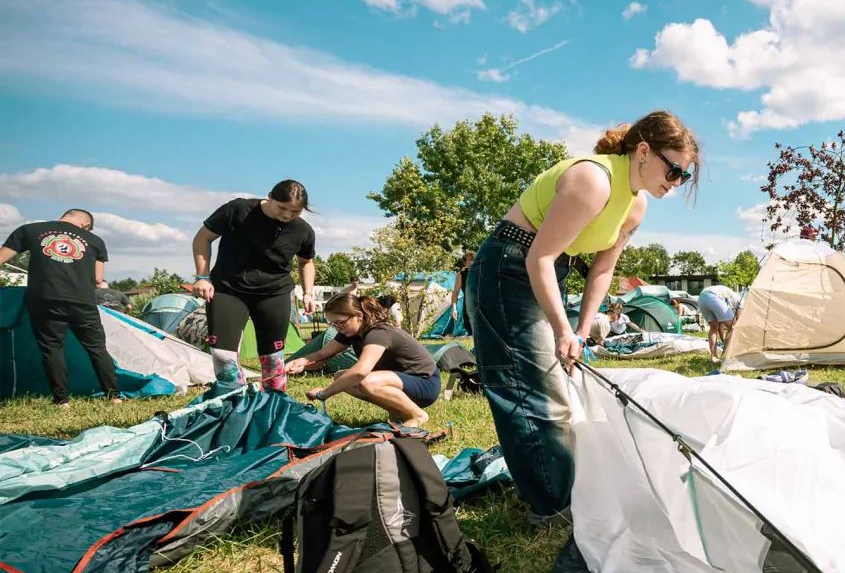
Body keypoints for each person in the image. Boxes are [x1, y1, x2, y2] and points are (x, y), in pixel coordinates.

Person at [469, 110, 699, 524]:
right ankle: (553, 509)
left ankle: (560, 488)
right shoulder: (594, 180)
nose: (678, 182)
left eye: (686, 176)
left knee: (557, 387)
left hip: (546, 269)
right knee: (532, 391)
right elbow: (540, 255)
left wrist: (581, 330)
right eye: (676, 169)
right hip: (508, 265)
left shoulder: (636, 206)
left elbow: (603, 269)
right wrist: (561, 330)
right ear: (644, 151)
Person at [192, 180, 316, 391]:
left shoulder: (303, 230)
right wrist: (202, 277)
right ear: (269, 196)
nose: (287, 215)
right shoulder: (238, 210)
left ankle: (273, 404)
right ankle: (236, 403)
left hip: (274, 293)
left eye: (295, 211)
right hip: (228, 288)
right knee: (223, 355)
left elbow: (306, 262)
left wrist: (308, 293)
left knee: (273, 359)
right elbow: (202, 238)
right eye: (282, 208)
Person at [0, 209, 122, 406]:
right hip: (82, 300)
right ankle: (114, 396)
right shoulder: (95, 240)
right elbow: (98, 278)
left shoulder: (30, 230)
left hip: (44, 298)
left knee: (52, 348)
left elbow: (1, 258)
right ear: (85, 225)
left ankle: (61, 400)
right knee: (97, 349)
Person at [285, 292, 439, 426]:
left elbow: (361, 372)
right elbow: (321, 355)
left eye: (340, 322)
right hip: (401, 382)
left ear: (358, 316)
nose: (338, 327)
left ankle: (417, 415)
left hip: (425, 383)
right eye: (333, 324)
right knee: (341, 377)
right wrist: (302, 362)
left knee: (364, 379)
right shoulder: (350, 332)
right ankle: (398, 411)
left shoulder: (378, 332)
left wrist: (324, 393)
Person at [698, 283, 741, 364]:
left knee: (714, 328)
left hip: (702, 297)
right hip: (714, 297)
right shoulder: (739, 300)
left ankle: (714, 357)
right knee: (734, 327)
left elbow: (721, 328)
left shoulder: (727, 299)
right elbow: (738, 319)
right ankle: (729, 357)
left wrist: (724, 342)